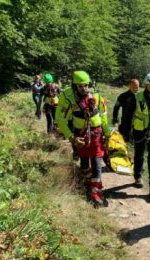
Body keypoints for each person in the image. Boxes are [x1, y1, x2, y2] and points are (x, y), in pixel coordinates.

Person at [55, 70, 110, 206]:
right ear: (74, 86)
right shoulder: (67, 97)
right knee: (84, 160)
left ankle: (96, 190)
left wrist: (107, 133)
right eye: (80, 86)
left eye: (86, 85)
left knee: (97, 160)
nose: (84, 88)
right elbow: (60, 120)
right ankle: (87, 181)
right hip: (80, 134)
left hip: (96, 133)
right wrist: (72, 138)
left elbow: (103, 115)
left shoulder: (96, 95)